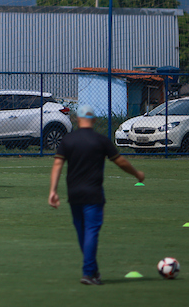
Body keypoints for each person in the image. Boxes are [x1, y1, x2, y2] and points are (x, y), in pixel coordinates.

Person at [49, 104, 146, 285]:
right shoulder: (101, 140)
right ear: (93, 120)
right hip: (93, 193)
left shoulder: (68, 140)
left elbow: (57, 165)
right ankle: (88, 273)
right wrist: (136, 174)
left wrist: (53, 191)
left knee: (82, 232)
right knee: (91, 231)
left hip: (74, 193)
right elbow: (121, 162)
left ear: (77, 120)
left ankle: (93, 271)